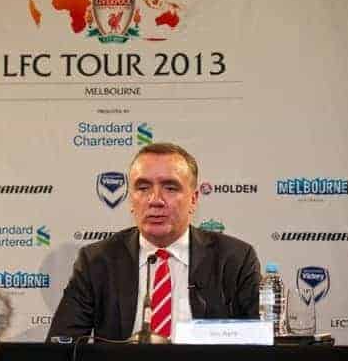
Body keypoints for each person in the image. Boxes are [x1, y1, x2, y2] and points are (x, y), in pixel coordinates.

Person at [47, 142, 261, 342]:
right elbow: (62, 343)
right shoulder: (97, 261)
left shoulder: (235, 259)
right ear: (131, 199)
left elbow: (261, 345)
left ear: (193, 199)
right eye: (143, 188)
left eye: (170, 188)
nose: (155, 200)